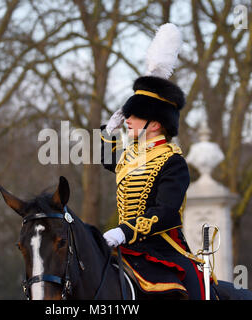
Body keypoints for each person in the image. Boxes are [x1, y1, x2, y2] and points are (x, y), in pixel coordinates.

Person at [100, 23, 214, 300]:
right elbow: (108, 161)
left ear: (155, 124)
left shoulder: (173, 161)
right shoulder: (130, 155)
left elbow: (167, 212)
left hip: (162, 247)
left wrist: (124, 232)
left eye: (134, 116)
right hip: (126, 245)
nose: (127, 120)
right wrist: (105, 133)